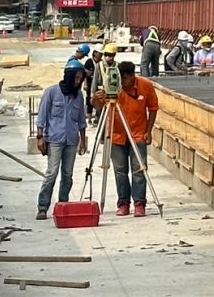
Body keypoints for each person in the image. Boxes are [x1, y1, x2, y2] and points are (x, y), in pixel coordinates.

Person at [93, 61, 157, 217]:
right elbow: (97, 106)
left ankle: (139, 203)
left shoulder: (145, 85)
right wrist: (96, 98)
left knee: (139, 169)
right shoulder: (111, 86)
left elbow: (153, 108)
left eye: (127, 79)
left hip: (138, 134)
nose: (124, 84)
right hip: (116, 135)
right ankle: (123, 203)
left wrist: (149, 131)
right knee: (120, 171)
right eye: (122, 80)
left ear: (132, 76)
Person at [35, 59, 88, 220]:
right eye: (76, 78)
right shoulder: (51, 93)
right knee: (52, 173)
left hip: (71, 140)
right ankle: (43, 206)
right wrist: (40, 137)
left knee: (67, 174)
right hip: (55, 139)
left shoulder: (78, 96)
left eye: (81, 79)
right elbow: (42, 117)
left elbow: (81, 120)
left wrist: (83, 141)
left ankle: (63, 204)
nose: (78, 82)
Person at [73, 45, 96, 122]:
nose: (83, 57)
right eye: (83, 55)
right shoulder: (73, 61)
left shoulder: (75, 61)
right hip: (73, 89)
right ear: (80, 52)